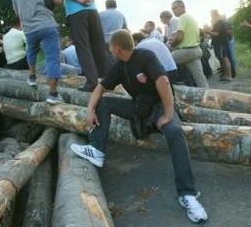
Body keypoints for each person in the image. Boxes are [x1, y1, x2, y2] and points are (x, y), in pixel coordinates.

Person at [70, 30, 208, 224]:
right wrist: (90, 109)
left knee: (175, 132)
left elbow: (163, 81)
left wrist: (168, 114)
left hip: (159, 106)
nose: (109, 51)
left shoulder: (145, 56)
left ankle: (188, 195)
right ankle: (96, 149)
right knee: (104, 103)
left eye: (110, 48)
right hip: (139, 107)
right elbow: (100, 88)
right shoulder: (119, 67)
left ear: (117, 48)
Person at [52, 0, 111, 92]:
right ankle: (108, 79)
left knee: (83, 47)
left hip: (75, 13)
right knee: (99, 45)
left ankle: (92, 82)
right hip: (93, 11)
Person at [12, 0, 63, 104]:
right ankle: (53, 94)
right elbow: (58, 0)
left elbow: (16, 12)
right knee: (53, 58)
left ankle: (32, 77)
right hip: (46, 24)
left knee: (31, 50)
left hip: (28, 28)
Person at [170, 0, 209, 88]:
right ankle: (207, 97)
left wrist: (173, 44)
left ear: (182, 7)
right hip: (196, 50)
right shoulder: (191, 17)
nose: (173, 11)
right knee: (200, 78)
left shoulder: (182, 17)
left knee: (165, 62)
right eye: (172, 9)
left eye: (175, 8)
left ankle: (173, 90)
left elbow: (180, 36)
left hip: (188, 51)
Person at [204, 10, 232, 82]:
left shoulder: (219, 22)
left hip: (221, 43)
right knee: (222, 59)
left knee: (225, 59)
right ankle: (226, 75)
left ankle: (229, 76)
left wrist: (207, 31)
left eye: (211, 15)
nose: (211, 17)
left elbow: (216, 34)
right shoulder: (218, 22)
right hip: (219, 43)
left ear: (214, 15)